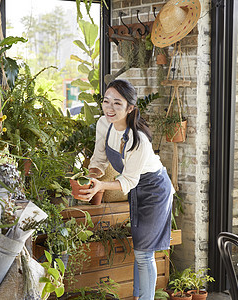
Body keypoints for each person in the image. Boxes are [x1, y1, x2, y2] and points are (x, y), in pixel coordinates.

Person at [80, 79, 174, 300]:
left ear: (130, 108)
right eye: (106, 101)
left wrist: (101, 186)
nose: (109, 108)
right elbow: (99, 159)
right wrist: (91, 178)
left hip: (154, 191)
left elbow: (128, 181)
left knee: (144, 252)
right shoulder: (104, 124)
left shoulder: (138, 140)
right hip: (136, 189)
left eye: (117, 103)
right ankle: (137, 296)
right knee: (140, 248)